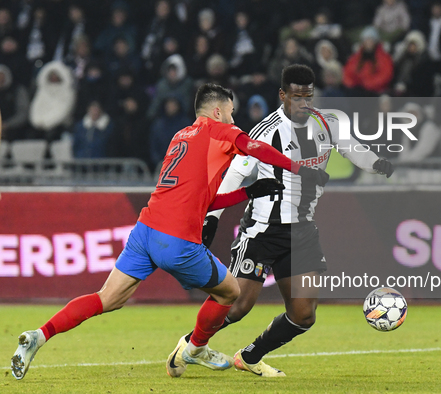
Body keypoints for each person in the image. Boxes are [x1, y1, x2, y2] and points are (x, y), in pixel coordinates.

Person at [10, 83, 330, 380]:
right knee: (230, 292)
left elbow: (201, 200)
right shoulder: (220, 129)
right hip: (177, 240)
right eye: (231, 112)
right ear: (217, 111)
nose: (235, 119)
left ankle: (40, 335)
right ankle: (196, 348)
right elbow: (255, 147)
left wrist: (249, 192)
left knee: (106, 297)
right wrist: (299, 168)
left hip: (145, 231)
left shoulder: (181, 136)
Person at [167, 65, 395, 378]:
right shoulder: (266, 132)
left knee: (303, 315)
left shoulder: (328, 123)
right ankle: (190, 345)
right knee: (237, 306)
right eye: (297, 97)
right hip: (262, 230)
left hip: (302, 231)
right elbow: (236, 173)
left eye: (308, 97)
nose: (303, 103)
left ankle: (250, 355)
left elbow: (353, 149)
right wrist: (213, 216)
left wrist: (378, 163)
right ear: (282, 95)